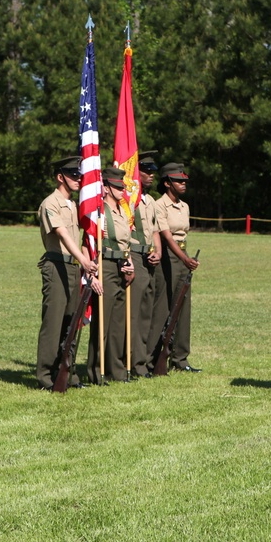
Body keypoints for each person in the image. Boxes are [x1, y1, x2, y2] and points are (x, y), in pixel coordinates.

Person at [35, 156, 99, 390]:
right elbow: (61, 234)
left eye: (79, 176)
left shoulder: (73, 205)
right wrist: (84, 260)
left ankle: (67, 372)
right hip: (57, 265)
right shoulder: (51, 203)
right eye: (73, 175)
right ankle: (44, 377)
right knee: (53, 324)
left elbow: (80, 237)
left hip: (73, 267)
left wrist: (84, 260)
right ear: (60, 177)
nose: (78, 179)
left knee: (71, 322)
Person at [148, 162, 201, 372]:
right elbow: (166, 235)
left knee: (183, 307)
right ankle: (151, 358)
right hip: (168, 256)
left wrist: (187, 258)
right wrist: (184, 259)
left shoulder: (184, 206)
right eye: (179, 180)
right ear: (167, 183)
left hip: (183, 254)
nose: (183, 183)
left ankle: (180, 359)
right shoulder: (159, 205)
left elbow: (181, 236)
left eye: (184, 180)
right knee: (163, 307)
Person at [86, 167, 135, 385]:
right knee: (103, 322)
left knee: (118, 323)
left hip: (121, 266)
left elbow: (126, 242)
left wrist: (130, 262)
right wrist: (92, 274)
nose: (121, 191)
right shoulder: (100, 212)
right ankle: (97, 370)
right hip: (104, 265)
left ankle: (116, 368)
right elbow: (89, 241)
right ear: (105, 187)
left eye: (122, 187)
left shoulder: (122, 211)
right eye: (116, 187)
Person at [129, 151, 162, 379]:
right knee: (134, 314)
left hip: (149, 259)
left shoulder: (149, 200)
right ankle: (132, 363)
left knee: (146, 314)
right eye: (146, 171)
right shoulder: (128, 200)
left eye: (152, 172)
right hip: (134, 255)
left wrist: (158, 251)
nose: (150, 175)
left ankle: (142, 362)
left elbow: (155, 229)